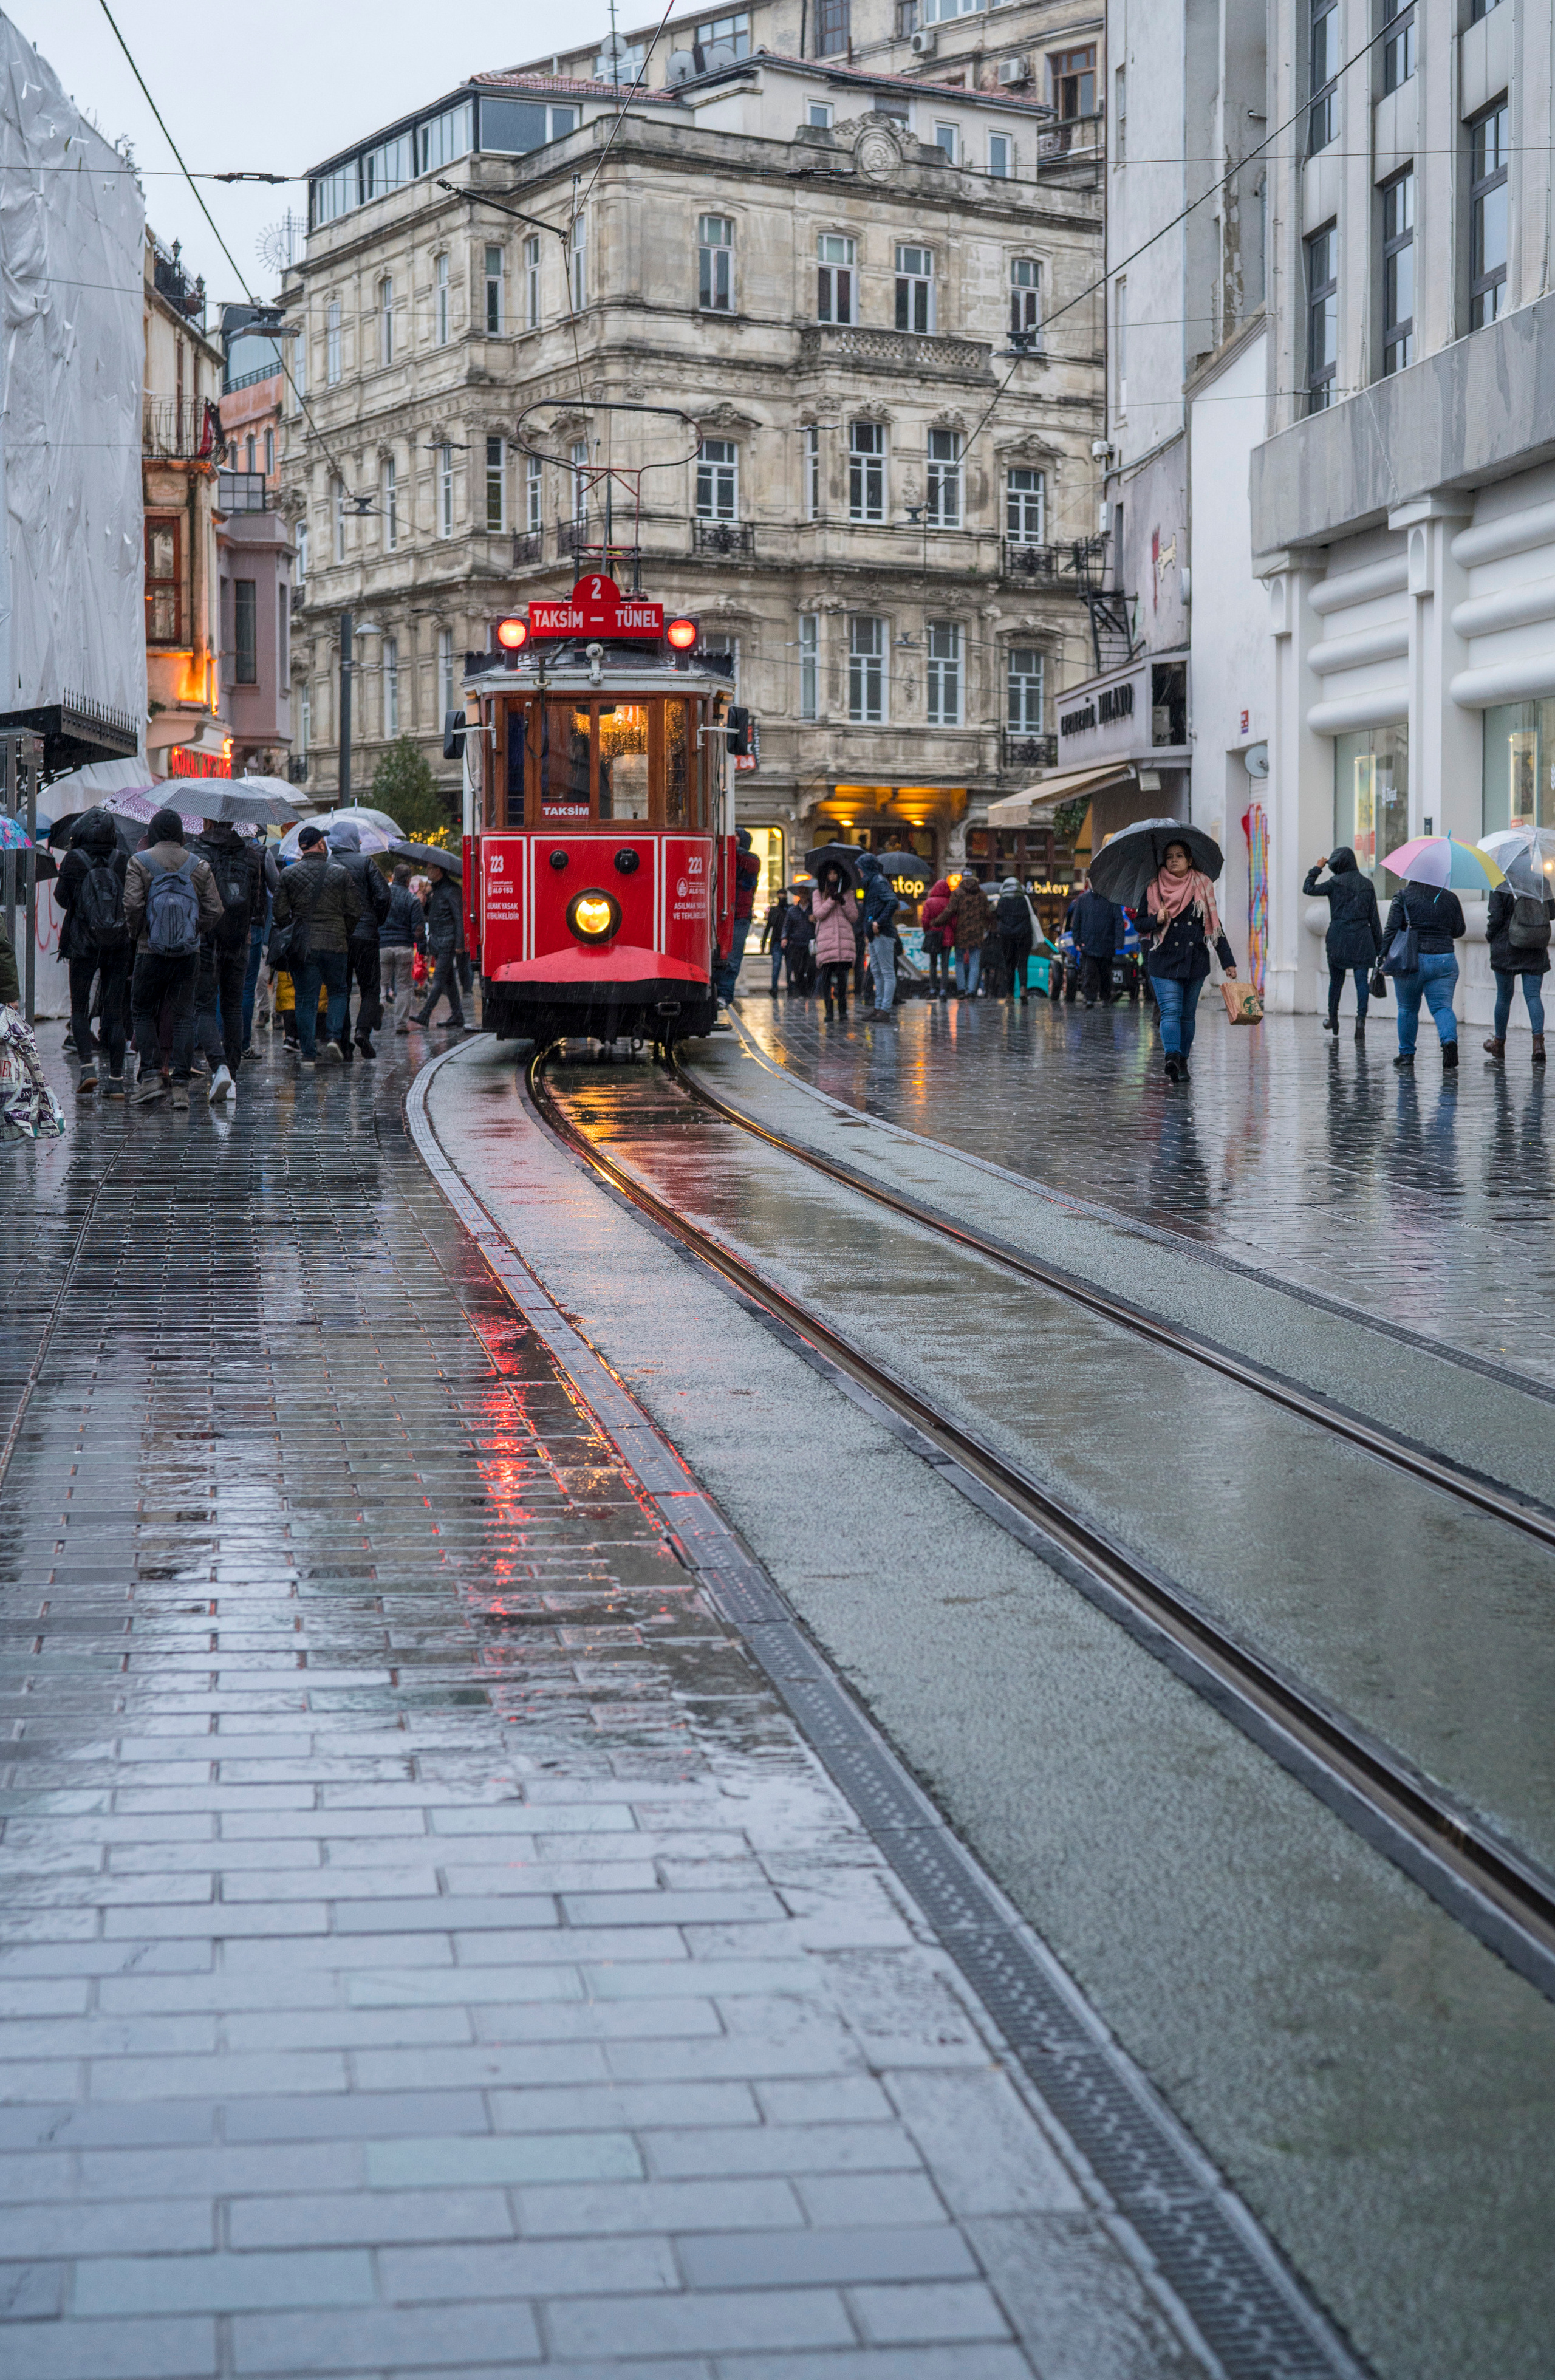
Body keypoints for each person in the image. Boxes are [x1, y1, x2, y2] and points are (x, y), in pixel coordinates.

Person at [122, 808, 224, 1109]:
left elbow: (131, 905)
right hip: (188, 954)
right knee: (183, 1016)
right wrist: (194, 931)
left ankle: (152, 1076)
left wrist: (142, 934)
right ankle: (180, 1087)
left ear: (152, 833)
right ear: (181, 834)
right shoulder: (198, 865)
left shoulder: (139, 862)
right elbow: (215, 909)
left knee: (141, 1010)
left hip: (149, 951)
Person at [1136, 837, 1239, 1083]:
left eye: (1179, 856)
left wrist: (1228, 961)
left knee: (1187, 1016)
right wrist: (1156, 920)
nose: (1174, 860)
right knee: (1170, 1011)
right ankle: (1171, 1056)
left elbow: (1214, 925)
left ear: (1189, 860)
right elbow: (1139, 923)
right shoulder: (1153, 888)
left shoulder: (1202, 885)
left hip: (1195, 961)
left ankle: (1183, 1061)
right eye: (1169, 857)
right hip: (1163, 960)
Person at [270, 824, 363, 1068]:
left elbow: (279, 912)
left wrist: (294, 927)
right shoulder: (340, 873)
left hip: (304, 946)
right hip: (335, 942)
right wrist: (344, 930)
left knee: (304, 998)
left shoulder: (288, 875)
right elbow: (354, 909)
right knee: (338, 991)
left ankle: (309, 1054)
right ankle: (333, 1037)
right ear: (320, 844)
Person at [55, 807, 130, 1097]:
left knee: (80, 1007)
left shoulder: (74, 860)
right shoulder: (121, 859)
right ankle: (116, 1079)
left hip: (82, 944)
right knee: (113, 1011)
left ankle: (86, 1068)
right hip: (118, 945)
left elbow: (61, 899)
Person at [191, 820, 267, 1101]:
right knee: (233, 1006)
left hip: (205, 939)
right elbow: (259, 906)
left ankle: (219, 1066)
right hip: (239, 939)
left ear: (207, 821)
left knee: (204, 1007)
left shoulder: (194, 852)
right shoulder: (251, 856)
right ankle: (231, 1077)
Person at [1382, 877, 1464, 1071]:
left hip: (1410, 961)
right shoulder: (1450, 898)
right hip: (1444, 961)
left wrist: (1382, 957)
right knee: (1442, 1008)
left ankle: (1406, 1055)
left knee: (1407, 1008)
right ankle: (1449, 1041)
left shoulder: (1402, 896)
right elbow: (1459, 931)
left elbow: (1391, 929)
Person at [1302, 847, 1382, 1039]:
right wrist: (1380, 948)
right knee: (1361, 982)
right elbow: (1375, 919)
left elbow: (1308, 888)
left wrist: (1317, 868)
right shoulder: (1367, 884)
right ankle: (1360, 1020)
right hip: (1362, 938)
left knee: (1336, 982)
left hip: (1339, 938)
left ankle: (1333, 1019)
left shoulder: (1334, 883)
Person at [1483, 872, 1554, 1067]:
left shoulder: (1500, 882)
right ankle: (1538, 1045)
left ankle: (1499, 1043)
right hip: (1535, 946)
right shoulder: (1541, 881)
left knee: (1504, 997)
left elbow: (1495, 917)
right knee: (1533, 996)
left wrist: (1490, 936)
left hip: (1506, 947)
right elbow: (1553, 913)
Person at [411, 861, 466, 1031]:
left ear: (439, 870)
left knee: (440, 980)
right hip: (439, 941)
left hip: (448, 941)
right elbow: (432, 914)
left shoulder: (451, 889)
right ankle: (458, 1016)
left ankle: (425, 1015)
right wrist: (424, 901)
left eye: (430, 869)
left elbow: (458, 917)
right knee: (449, 981)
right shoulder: (436, 890)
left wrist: (459, 943)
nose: (427, 872)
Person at [379, 866, 428, 1034]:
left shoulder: (383, 895)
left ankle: (379, 1005)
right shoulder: (412, 900)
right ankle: (400, 1023)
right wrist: (422, 949)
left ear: (393, 876)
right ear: (408, 880)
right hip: (404, 947)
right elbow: (419, 929)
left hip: (383, 946)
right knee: (405, 986)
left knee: (381, 983)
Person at [717, 828, 762, 1003]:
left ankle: (725, 995)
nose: (733, 839)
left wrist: (729, 845)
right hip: (723, 914)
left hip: (740, 916)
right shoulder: (726, 858)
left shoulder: (751, 860)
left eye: (737, 836)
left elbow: (750, 864)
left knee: (733, 960)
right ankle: (718, 992)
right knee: (721, 957)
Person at [856, 852, 900, 1016]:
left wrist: (878, 922)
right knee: (877, 971)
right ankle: (879, 1007)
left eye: (861, 868)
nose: (859, 872)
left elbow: (892, 902)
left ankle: (885, 1008)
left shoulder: (878, 882)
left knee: (886, 972)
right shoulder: (872, 882)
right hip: (876, 935)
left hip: (882, 933)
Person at [1070, 874, 1121, 1007]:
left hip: (1104, 944)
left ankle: (1104, 997)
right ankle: (1091, 997)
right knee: (1090, 973)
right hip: (1090, 944)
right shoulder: (1084, 900)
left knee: (1104, 974)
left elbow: (1118, 922)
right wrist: (1077, 941)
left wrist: (1118, 942)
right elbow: (1077, 923)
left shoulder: (1111, 900)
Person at [812, 864, 856, 1019]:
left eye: (835, 873)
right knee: (826, 979)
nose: (832, 876)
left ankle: (843, 1011)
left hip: (843, 942)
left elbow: (853, 916)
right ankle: (829, 1012)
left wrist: (843, 902)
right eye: (829, 873)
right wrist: (831, 900)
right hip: (826, 942)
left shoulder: (848, 893)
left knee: (843, 980)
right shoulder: (819, 894)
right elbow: (818, 914)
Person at [993, 876, 1036, 1004]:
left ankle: (1010, 994)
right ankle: (1023, 990)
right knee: (1023, 963)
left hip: (1007, 937)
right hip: (1023, 935)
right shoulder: (1024, 900)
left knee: (1009, 965)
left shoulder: (1002, 901)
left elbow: (998, 916)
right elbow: (1032, 913)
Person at [949, 870, 991, 997]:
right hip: (977, 933)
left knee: (959, 961)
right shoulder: (982, 895)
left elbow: (950, 911)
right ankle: (972, 991)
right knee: (975, 963)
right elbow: (987, 915)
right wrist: (988, 928)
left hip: (961, 932)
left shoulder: (957, 893)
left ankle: (961, 990)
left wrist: (936, 922)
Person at [920, 877, 954, 1000]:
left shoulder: (930, 902)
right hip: (947, 936)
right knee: (945, 966)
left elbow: (925, 920)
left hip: (933, 936)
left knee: (933, 964)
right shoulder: (950, 902)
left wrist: (927, 931)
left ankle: (933, 989)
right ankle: (943, 991)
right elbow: (954, 921)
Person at [779, 889, 814, 995]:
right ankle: (801, 991)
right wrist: (784, 938)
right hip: (796, 943)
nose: (803, 896)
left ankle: (809, 990)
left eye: (805, 893)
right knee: (798, 969)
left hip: (810, 943)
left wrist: (815, 920)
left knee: (810, 968)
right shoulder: (792, 911)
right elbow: (787, 926)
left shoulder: (813, 910)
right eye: (801, 893)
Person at [760, 887, 790, 996]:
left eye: (783, 895)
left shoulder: (789, 910)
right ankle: (774, 989)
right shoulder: (774, 911)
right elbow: (768, 927)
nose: (781, 898)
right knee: (777, 966)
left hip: (789, 942)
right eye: (780, 895)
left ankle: (789, 989)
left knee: (789, 968)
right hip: (777, 942)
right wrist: (763, 944)